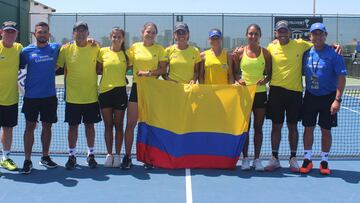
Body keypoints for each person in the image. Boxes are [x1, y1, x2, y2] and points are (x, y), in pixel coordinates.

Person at [264, 20, 314, 172]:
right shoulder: (271, 47)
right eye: (280, 31)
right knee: (276, 126)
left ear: (290, 32)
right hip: (276, 92)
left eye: (285, 31)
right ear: (276, 33)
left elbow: (319, 45)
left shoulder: (300, 44)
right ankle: (274, 158)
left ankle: (293, 158)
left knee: (293, 126)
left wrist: (335, 45)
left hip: (295, 93)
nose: (283, 33)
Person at [300, 23, 346, 175]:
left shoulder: (334, 53)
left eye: (321, 34)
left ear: (325, 35)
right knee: (308, 129)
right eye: (315, 34)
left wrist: (337, 100)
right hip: (310, 97)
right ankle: (307, 159)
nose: (318, 37)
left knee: (326, 131)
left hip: (328, 98)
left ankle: (324, 161)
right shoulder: (306, 53)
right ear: (310, 36)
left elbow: (341, 77)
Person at [57, 21, 101, 169]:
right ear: (73, 33)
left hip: (91, 96)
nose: (81, 33)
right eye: (77, 30)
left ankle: (91, 154)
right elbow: (57, 67)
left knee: (90, 126)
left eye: (83, 30)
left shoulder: (95, 47)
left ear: (88, 33)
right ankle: (72, 155)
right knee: (73, 127)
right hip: (72, 97)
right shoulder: (65, 49)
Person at [18, 22, 59, 174]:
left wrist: (91, 40)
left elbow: (73, 45)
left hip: (49, 96)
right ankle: (27, 160)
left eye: (45, 32)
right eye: (40, 32)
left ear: (49, 34)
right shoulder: (25, 51)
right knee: (30, 128)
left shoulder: (55, 48)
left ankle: (45, 157)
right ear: (35, 34)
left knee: (47, 127)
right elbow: (17, 69)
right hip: (31, 97)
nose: (42, 34)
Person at [125, 22, 167, 169]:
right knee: (131, 124)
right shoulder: (135, 47)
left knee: (150, 125)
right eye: (148, 32)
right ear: (143, 32)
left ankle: (149, 158)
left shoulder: (160, 49)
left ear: (156, 35)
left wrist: (148, 73)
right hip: (137, 89)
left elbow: (163, 69)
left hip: (153, 90)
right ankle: (127, 157)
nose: (150, 34)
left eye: (153, 32)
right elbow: (123, 60)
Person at [233, 24, 272, 171]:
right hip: (244, 94)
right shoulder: (240, 53)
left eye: (255, 34)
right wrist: (238, 79)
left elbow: (269, 74)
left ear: (259, 36)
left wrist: (265, 81)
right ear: (246, 35)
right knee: (245, 128)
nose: (253, 36)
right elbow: (236, 72)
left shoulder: (266, 54)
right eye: (250, 34)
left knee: (258, 128)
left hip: (260, 93)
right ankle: (245, 159)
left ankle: (257, 159)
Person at [96, 27, 128, 168]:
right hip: (105, 92)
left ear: (123, 38)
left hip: (120, 92)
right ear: (110, 37)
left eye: (119, 36)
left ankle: (118, 155)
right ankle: (109, 154)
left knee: (119, 125)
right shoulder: (102, 51)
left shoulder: (127, 54)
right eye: (114, 36)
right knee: (108, 125)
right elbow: (98, 68)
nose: (116, 39)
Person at [0, 21, 22, 171]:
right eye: (7, 31)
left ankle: (5, 158)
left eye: (12, 32)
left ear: (16, 34)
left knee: (8, 129)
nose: (9, 34)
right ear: (1, 32)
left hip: (11, 99)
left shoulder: (19, 48)